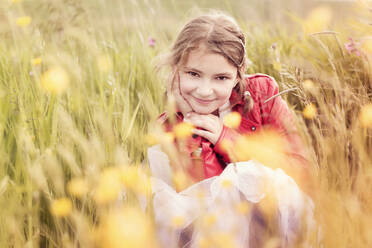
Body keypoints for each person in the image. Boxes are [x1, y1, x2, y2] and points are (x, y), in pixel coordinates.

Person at [148, 11, 315, 247]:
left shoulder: (262, 95)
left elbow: (300, 170)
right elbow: (200, 207)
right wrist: (192, 126)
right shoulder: (168, 127)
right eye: (193, 74)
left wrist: (225, 139)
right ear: (176, 69)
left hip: (274, 226)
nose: (205, 91)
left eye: (221, 78)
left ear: (238, 76)